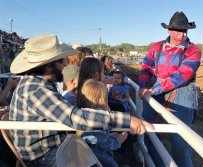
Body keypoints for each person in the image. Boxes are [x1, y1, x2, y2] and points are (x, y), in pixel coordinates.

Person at [9, 34, 154, 166]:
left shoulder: (35, 84)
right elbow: (76, 117)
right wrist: (127, 121)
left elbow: (71, 115)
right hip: (43, 156)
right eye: (61, 61)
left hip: (50, 146)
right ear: (48, 66)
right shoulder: (37, 90)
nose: (65, 65)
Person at [138, 11, 201, 167]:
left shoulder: (194, 51)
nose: (181, 34)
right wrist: (143, 86)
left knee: (180, 141)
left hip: (182, 92)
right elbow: (146, 67)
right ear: (169, 30)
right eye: (178, 30)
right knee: (151, 132)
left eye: (184, 30)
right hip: (156, 90)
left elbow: (182, 76)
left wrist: (153, 90)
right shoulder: (156, 47)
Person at [77, 79, 128, 167]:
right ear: (101, 100)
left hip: (91, 157)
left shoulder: (82, 114)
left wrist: (110, 136)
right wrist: (118, 140)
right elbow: (104, 144)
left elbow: (98, 139)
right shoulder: (96, 121)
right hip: (100, 160)